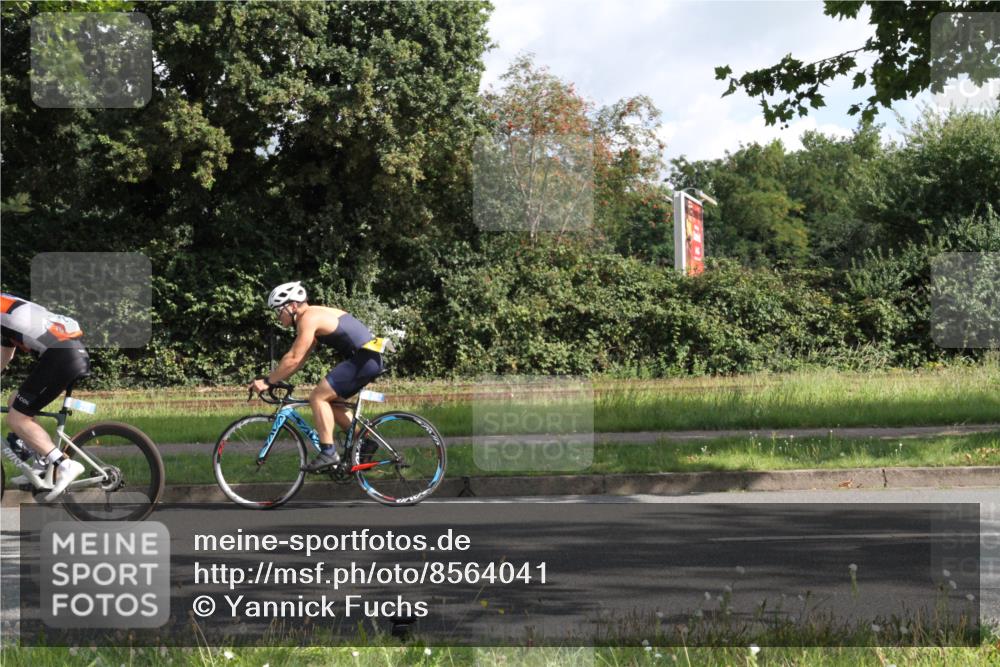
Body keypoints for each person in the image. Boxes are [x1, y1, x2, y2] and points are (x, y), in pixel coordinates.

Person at [248, 281, 384, 471]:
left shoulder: (309, 318)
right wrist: (276, 378)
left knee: (318, 397)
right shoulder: (314, 314)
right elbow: (300, 358)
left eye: (279, 311)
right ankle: (365, 442)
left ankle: (329, 453)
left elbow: (294, 358)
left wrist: (268, 381)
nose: (278, 316)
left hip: (363, 359)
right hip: (367, 359)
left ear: (293, 306)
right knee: (331, 402)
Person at [1, 292, 89, 500]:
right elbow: (5, 354)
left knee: (16, 419)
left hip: (60, 355)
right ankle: (43, 465)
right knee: (16, 400)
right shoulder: (8, 305)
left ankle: (64, 464)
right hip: (72, 352)